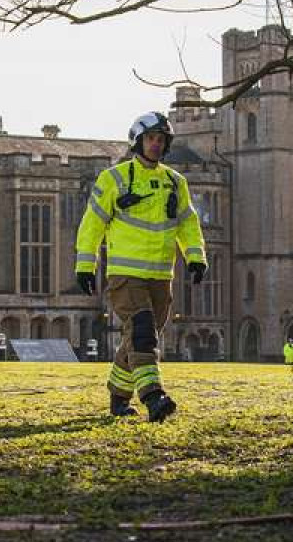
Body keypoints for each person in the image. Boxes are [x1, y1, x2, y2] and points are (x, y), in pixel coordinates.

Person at [75, 111, 207, 422]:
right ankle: (153, 396)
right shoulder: (114, 179)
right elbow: (92, 223)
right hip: (125, 275)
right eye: (150, 139)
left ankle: (119, 398)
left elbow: (188, 223)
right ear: (138, 141)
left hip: (161, 276)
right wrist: (85, 264)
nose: (156, 145)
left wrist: (196, 257)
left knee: (136, 338)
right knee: (144, 333)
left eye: (161, 140)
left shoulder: (176, 183)